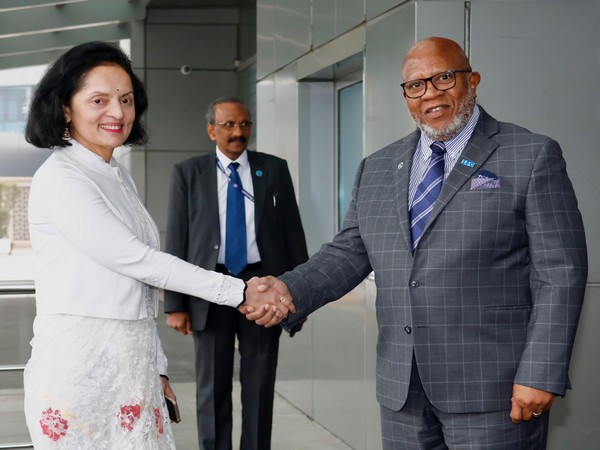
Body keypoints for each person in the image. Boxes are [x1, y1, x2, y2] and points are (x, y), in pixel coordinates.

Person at [246, 37, 588, 449]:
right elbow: (350, 250)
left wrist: (540, 371)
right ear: (406, 95)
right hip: (402, 388)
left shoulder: (530, 155)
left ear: (472, 81)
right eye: (416, 85)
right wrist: (289, 288)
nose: (431, 94)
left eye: (443, 78)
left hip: (493, 389)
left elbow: (560, 274)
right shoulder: (377, 167)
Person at [23, 42, 290, 449]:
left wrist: (157, 366)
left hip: (133, 359)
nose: (118, 112)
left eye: (126, 99)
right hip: (83, 366)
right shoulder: (62, 176)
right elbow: (137, 260)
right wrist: (239, 290)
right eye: (99, 100)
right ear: (64, 107)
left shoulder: (114, 173)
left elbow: (137, 287)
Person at [163, 96, 308, 450]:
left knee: (259, 384)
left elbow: (292, 233)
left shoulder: (273, 169)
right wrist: (175, 304)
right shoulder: (188, 173)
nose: (238, 132)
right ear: (211, 129)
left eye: (244, 124)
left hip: (263, 287)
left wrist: (300, 295)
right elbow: (177, 236)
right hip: (210, 289)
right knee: (211, 386)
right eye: (228, 125)